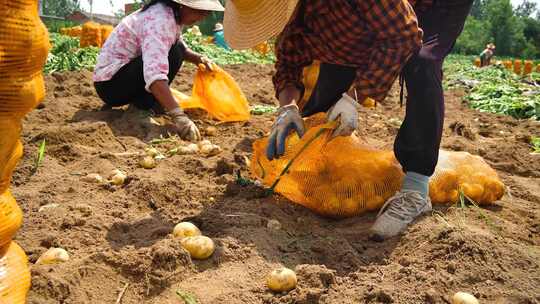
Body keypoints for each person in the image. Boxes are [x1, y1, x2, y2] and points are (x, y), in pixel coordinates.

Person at [223, 0, 473, 241]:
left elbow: (403, 35)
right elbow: (289, 63)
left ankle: (416, 189)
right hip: (371, 23)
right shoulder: (294, 17)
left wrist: (353, 97)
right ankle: (321, 160)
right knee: (329, 79)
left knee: (421, 62)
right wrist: (287, 108)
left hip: (433, 6)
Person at [93, 0, 224, 141]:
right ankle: (139, 110)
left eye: (206, 14)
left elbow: (180, 46)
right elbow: (154, 75)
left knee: (177, 49)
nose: (202, 18)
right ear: (183, 5)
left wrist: (199, 59)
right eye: (200, 11)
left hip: (118, 79)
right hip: (111, 85)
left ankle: (149, 104)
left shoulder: (169, 15)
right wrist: (179, 116)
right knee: (174, 53)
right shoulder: (160, 20)